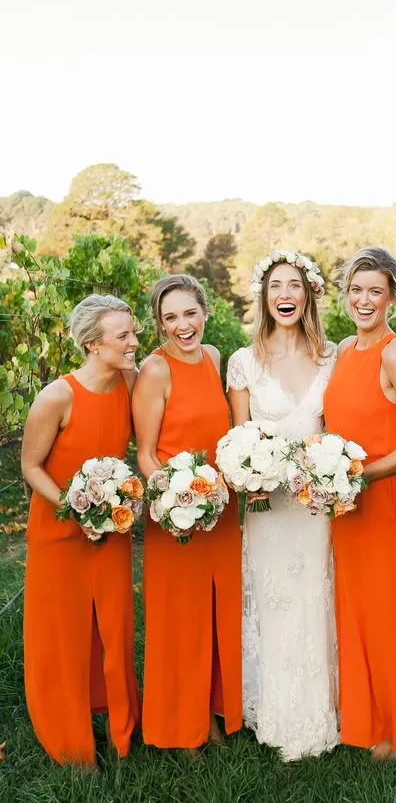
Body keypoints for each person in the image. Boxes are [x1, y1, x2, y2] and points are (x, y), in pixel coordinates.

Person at [227, 250, 339, 761]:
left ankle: (320, 709)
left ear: (309, 293)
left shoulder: (333, 356)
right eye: (276, 287)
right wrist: (252, 473)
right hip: (268, 508)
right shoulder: (244, 362)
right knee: (271, 601)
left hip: (316, 507)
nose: (285, 295)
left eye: (294, 285)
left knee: (315, 600)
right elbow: (239, 439)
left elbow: (338, 431)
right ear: (264, 297)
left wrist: (329, 472)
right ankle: (270, 709)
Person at [323, 247, 396, 761]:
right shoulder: (345, 349)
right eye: (356, 290)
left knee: (389, 615)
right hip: (345, 509)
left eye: (375, 291)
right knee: (358, 613)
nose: (364, 300)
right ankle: (365, 719)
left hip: (384, 502)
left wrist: (364, 473)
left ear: (392, 296)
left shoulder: (394, 352)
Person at [22, 294, 141, 767]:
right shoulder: (57, 397)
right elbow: (31, 466)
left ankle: (121, 728)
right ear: (93, 344)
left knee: (114, 628)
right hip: (60, 531)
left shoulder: (129, 383)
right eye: (124, 336)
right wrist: (76, 512)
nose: (135, 342)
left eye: (132, 332)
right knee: (64, 634)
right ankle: (71, 745)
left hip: (111, 529)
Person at [133, 274, 241, 757]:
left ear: (205, 311)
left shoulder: (214, 357)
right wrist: (178, 502)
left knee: (215, 614)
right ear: (159, 324)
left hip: (220, 507)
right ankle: (178, 727)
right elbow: (147, 453)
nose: (183, 326)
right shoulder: (156, 372)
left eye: (190, 313)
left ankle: (210, 714)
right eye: (170, 317)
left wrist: (215, 494)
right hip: (177, 513)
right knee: (179, 620)